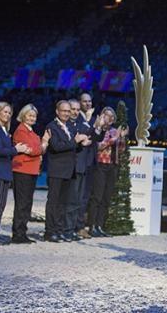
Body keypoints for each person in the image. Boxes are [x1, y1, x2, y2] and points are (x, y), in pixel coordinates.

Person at [0, 102, 30, 246]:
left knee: (0, 205)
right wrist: (16, 149)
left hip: (4, 172)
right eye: (5, 112)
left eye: (9, 113)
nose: (7, 115)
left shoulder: (4, 130)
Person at [44, 100, 89, 243]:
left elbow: (72, 147)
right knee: (53, 202)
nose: (66, 113)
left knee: (63, 203)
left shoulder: (70, 126)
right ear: (57, 112)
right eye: (64, 111)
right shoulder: (51, 127)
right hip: (57, 170)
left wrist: (82, 144)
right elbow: (56, 146)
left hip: (69, 171)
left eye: (68, 111)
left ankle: (59, 230)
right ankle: (50, 232)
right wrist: (75, 142)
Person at [64, 99, 106, 241]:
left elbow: (95, 136)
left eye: (76, 109)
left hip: (84, 165)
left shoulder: (84, 122)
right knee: (72, 199)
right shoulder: (69, 123)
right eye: (72, 109)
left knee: (79, 199)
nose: (75, 112)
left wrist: (98, 127)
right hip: (73, 165)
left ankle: (75, 228)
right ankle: (68, 229)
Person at [11, 104, 49, 244]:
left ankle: (22, 232)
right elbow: (33, 150)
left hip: (31, 170)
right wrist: (42, 146)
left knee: (27, 203)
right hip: (22, 170)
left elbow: (35, 149)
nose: (32, 118)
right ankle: (18, 234)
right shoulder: (21, 130)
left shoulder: (32, 132)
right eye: (30, 115)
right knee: (22, 203)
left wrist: (40, 147)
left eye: (34, 116)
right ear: (23, 115)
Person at [87, 107, 128, 237]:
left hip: (112, 166)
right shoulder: (98, 130)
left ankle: (100, 226)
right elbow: (98, 147)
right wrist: (114, 138)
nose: (109, 118)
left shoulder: (114, 131)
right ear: (102, 117)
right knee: (97, 197)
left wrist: (121, 139)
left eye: (111, 116)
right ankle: (91, 225)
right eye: (106, 115)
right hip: (100, 165)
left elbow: (121, 150)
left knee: (106, 198)